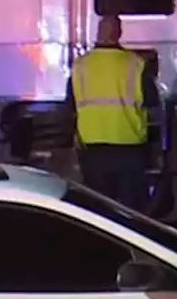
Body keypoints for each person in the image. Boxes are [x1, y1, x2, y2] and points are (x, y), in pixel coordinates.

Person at [68, 16, 161, 210]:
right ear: (119, 34)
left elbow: (70, 107)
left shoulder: (80, 66)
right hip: (129, 147)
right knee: (132, 210)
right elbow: (152, 104)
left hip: (92, 150)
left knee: (99, 210)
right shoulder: (135, 64)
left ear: (98, 33)